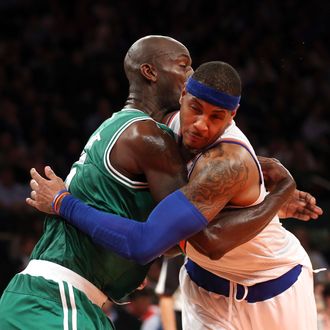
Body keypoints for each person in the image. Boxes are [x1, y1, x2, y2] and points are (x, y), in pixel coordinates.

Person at [26, 61, 322, 329]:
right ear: (182, 95)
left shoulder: (228, 161)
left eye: (216, 117)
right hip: (205, 291)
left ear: (232, 116)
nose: (201, 124)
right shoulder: (164, 125)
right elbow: (165, 237)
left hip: (275, 286)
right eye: (195, 109)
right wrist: (270, 186)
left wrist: (62, 203)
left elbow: (207, 242)